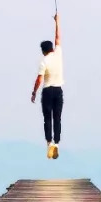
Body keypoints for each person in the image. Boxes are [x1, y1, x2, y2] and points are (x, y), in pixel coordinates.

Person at [31, 13, 63, 159]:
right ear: (51, 48)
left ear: (43, 51)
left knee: (47, 118)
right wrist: (57, 21)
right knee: (57, 117)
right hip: (58, 90)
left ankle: (49, 143)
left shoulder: (44, 61)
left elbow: (39, 79)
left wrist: (33, 92)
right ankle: (56, 143)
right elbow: (57, 37)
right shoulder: (58, 54)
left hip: (47, 91)